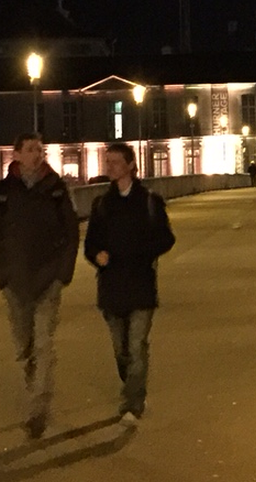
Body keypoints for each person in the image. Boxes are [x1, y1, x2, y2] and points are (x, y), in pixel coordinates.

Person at [0, 132, 81, 440]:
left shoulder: (55, 189)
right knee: (24, 346)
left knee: (43, 344)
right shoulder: (3, 192)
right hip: (15, 282)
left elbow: (71, 230)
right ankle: (34, 387)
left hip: (47, 280)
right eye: (31, 149)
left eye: (40, 149)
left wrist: (63, 272)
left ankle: (38, 409)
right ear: (17, 154)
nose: (37, 154)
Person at [84, 142, 176, 426]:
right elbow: (89, 244)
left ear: (130, 166)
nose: (109, 166)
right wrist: (96, 255)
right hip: (111, 289)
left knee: (136, 346)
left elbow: (166, 238)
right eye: (107, 161)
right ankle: (132, 386)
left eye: (114, 162)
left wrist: (142, 252)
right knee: (121, 351)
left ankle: (133, 402)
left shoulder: (149, 201)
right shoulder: (101, 205)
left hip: (140, 286)